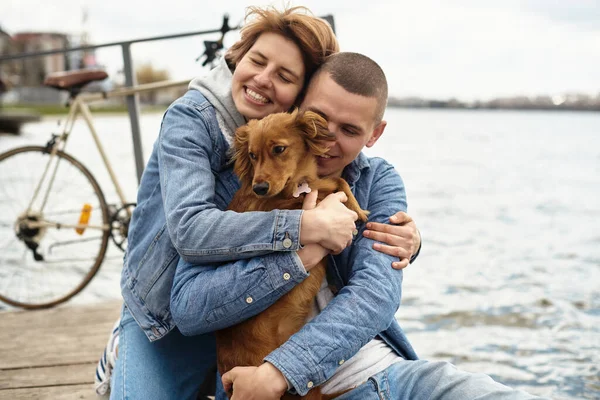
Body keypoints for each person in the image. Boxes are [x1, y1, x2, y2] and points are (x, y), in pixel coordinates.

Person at [170, 53, 544, 400]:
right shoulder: (247, 182)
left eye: (349, 130)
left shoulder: (378, 181)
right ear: (299, 109)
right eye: (318, 119)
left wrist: (280, 372)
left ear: (374, 134)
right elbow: (189, 308)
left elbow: (374, 295)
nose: (326, 140)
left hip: (383, 374)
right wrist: (304, 243)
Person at [106, 6, 421, 400]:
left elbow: (374, 280)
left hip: (242, 318)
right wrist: (308, 230)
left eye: (285, 76)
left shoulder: (301, 149)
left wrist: (409, 238)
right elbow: (190, 231)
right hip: (163, 315)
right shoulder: (196, 122)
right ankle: (122, 348)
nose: (263, 79)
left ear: (299, 96)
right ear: (238, 57)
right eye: (257, 60)